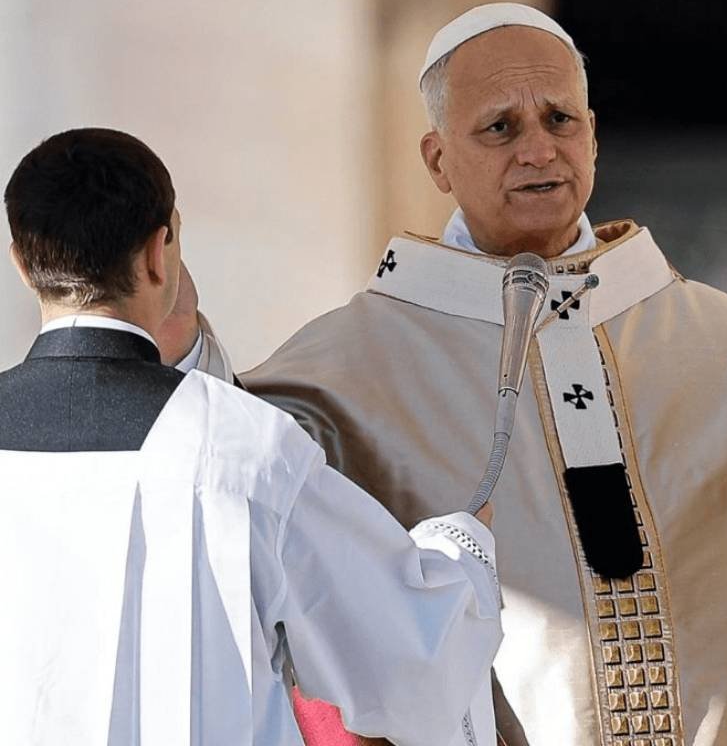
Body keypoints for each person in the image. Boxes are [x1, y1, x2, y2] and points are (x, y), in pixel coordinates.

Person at [235, 3, 727, 746]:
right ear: (436, 160)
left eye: (560, 120)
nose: (538, 149)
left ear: (593, 136)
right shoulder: (337, 379)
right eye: (500, 127)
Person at [0, 128, 502, 745]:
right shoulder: (242, 448)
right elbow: (407, 662)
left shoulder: (239, 446)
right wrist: (463, 546)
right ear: (159, 254)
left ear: (21, 264)